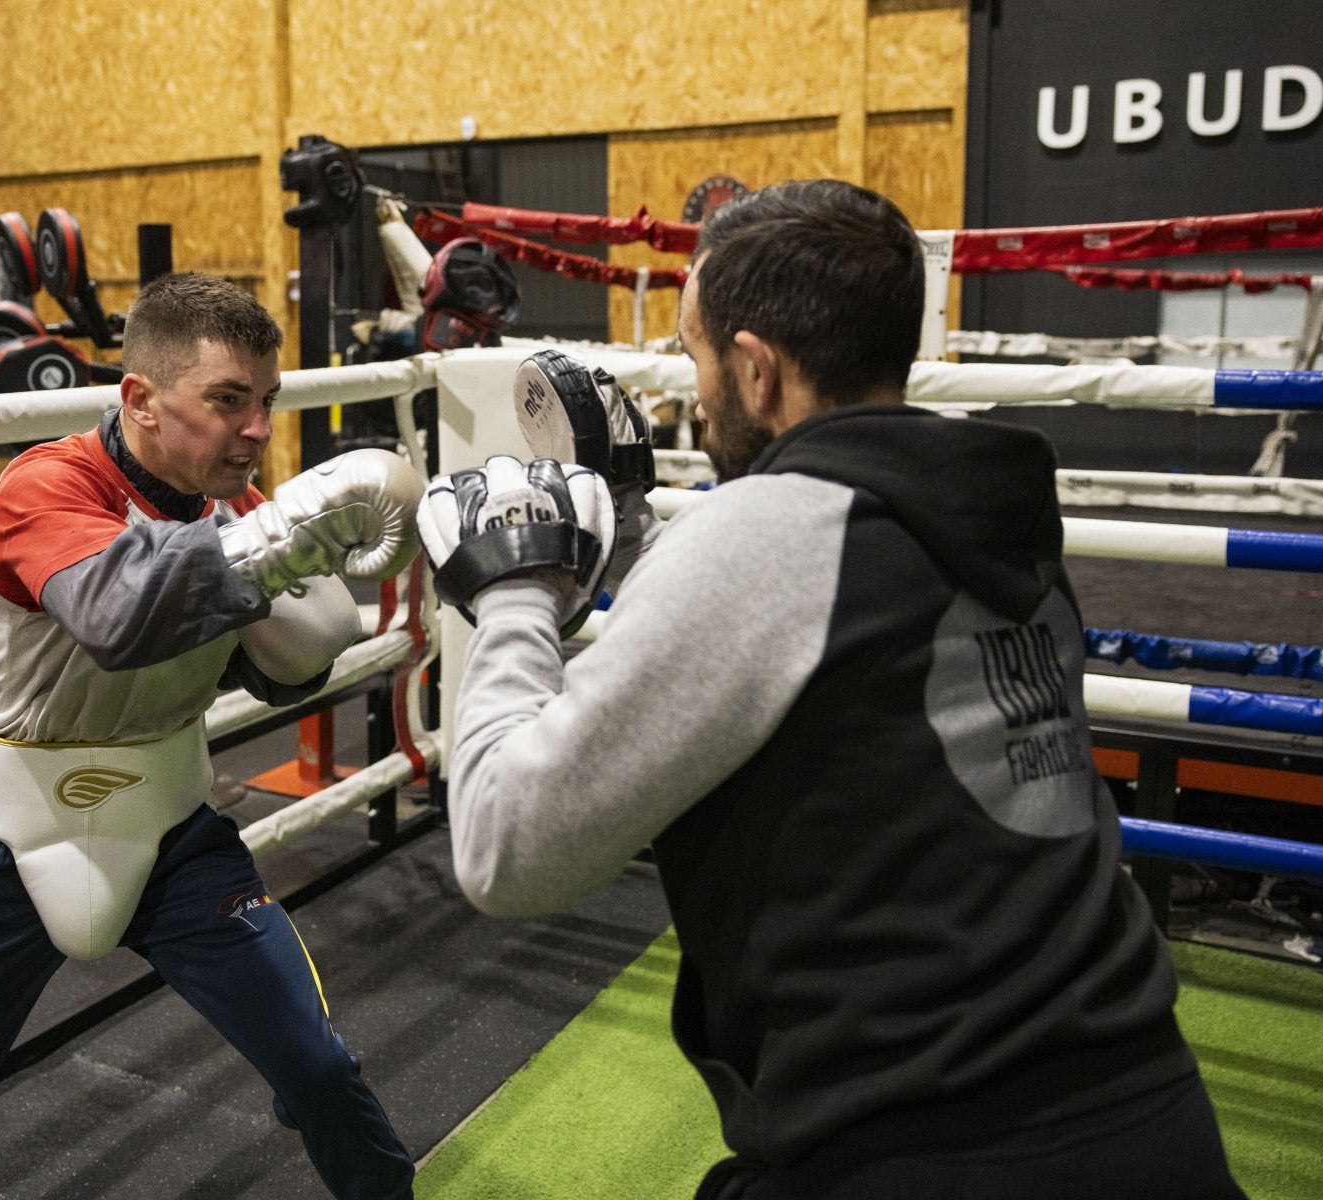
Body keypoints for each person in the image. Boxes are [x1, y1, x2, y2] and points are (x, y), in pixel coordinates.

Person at [417, 180, 1245, 1199]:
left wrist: (514, 595)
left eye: (697, 355)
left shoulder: (768, 539)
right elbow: (804, 665)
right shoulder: (985, 507)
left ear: (759, 370)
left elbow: (506, 850)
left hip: (930, 1152)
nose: (693, 385)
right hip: (1149, 1117)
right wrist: (635, 540)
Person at [0, 271, 421, 1200]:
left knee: (319, 1066)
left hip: (178, 837)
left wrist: (287, 575)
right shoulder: (47, 487)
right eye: (227, 401)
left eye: (265, 401)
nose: (258, 429)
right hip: (17, 851)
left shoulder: (241, 512)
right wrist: (289, 540)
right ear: (139, 398)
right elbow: (120, 612)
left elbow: (291, 667)